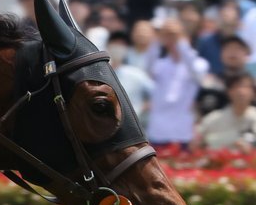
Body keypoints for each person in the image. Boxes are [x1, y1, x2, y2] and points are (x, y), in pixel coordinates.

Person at [143, 17, 202, 150]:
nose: (173, 41)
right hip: (158, 131)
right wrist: (159, 39)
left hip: (183, 132)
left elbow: (194, 69)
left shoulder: (198, 64)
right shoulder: (160, 64)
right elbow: (148, 67)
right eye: (169, 37)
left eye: (175, 37)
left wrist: (180, 38)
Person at [105, 30, 154, 129]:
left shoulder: (136, 74)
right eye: (115, 43)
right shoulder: (100, 72)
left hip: (132, 126)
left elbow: (157, 94)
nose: (118, 47)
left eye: (122, 45)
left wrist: (142, 107)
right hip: (105, 125)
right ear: (108, 45)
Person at [196, 72, 256, 150]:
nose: (241, 91)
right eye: (236, 87)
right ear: (228, 91)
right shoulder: (213, 120)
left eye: (246, 87)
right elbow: (196, 143)